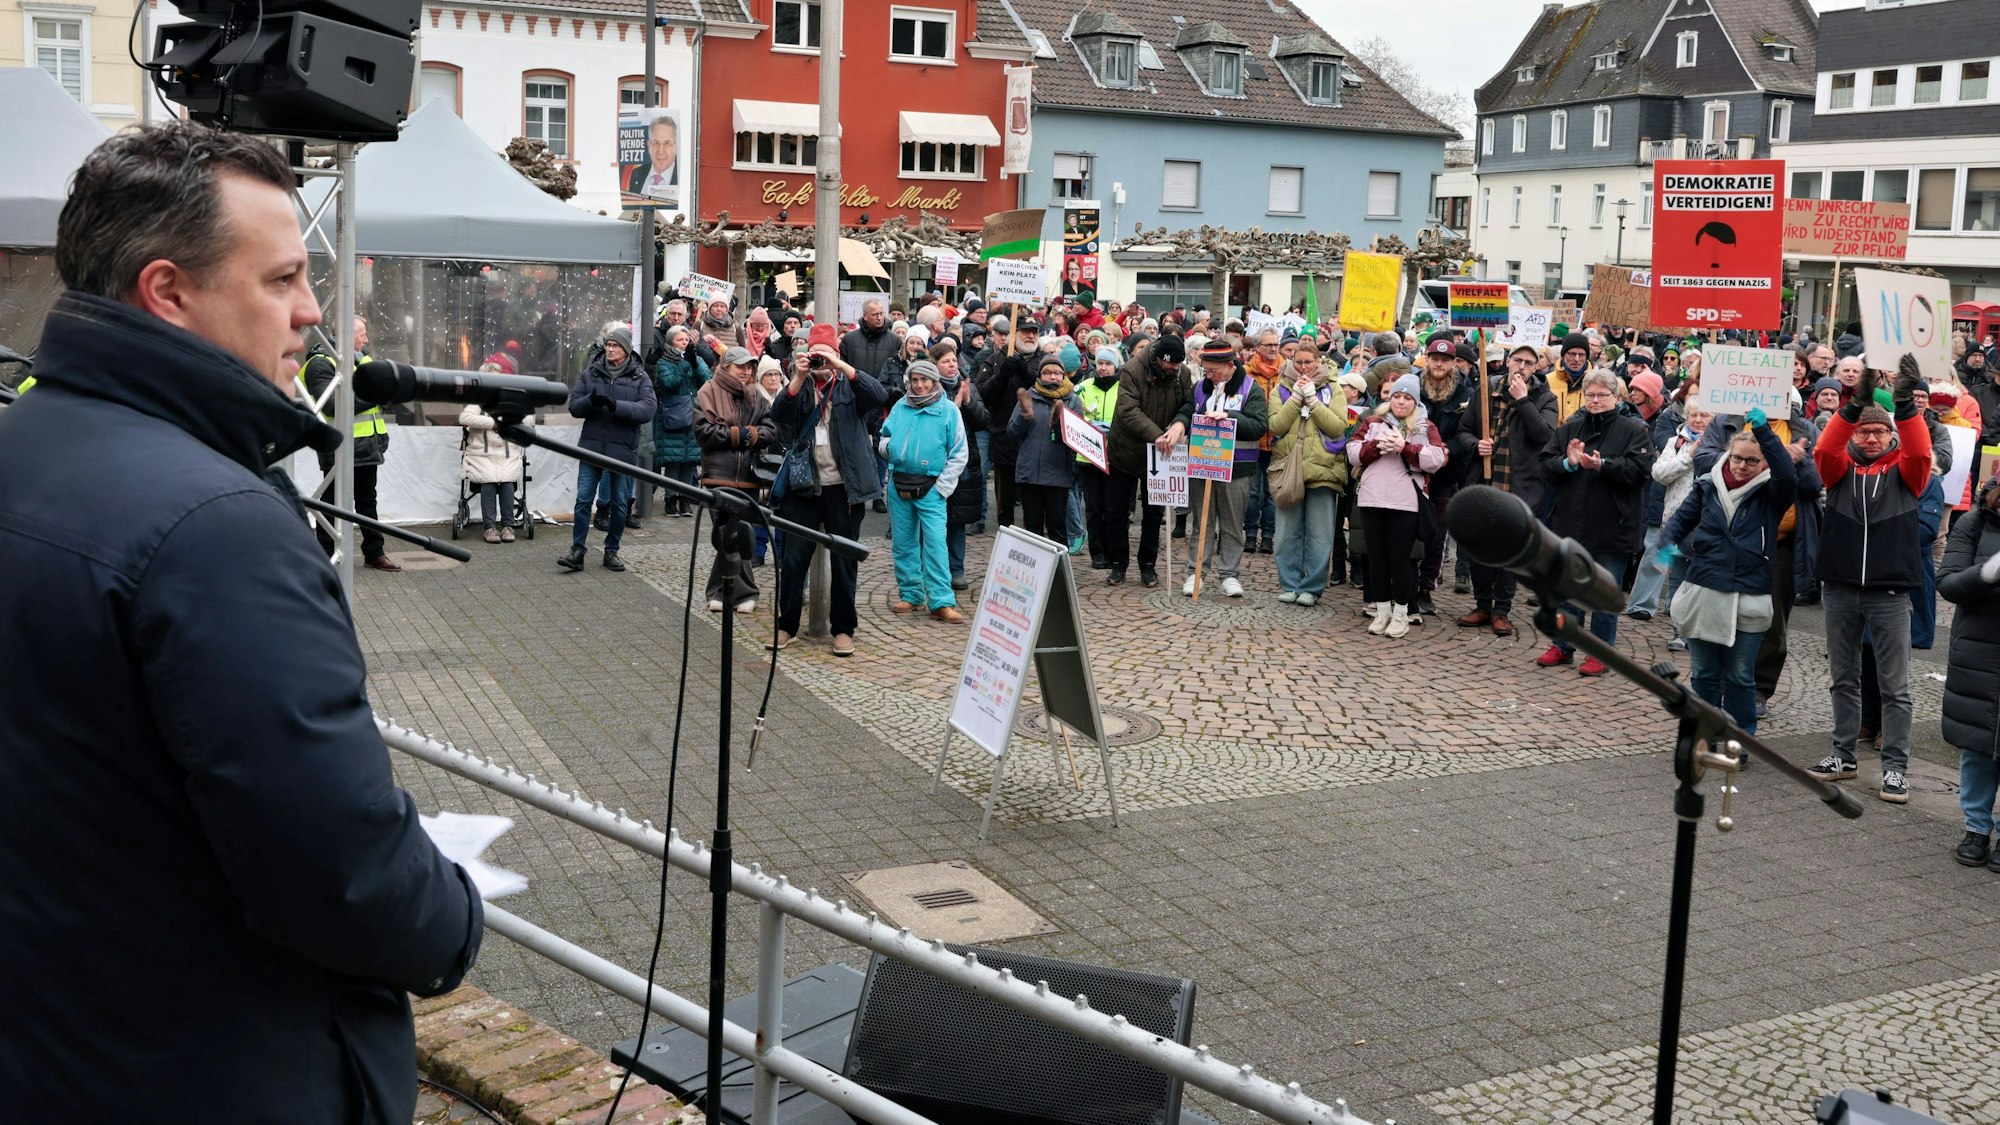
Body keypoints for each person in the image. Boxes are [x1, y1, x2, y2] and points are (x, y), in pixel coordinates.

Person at [0, 121, 481, 1122]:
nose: (311, 312)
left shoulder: (27, 443)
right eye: (280, 280)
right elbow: (339, 873)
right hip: (218, 1065)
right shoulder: (216, 527)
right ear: (167, 291)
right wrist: (452, 915)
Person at [1805, 359, 1933, 802]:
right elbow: (1823, 452)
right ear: (1855, 436)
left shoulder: (1907, 473)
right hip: (1839, 587)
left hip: (1890, 592)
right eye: (1864, 432)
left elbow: (1919, 452)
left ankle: (1896, 768)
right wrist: (1851, 409)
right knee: (1843, 678)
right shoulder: (1838, 471)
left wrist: (1904, 405)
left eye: (1879, 432)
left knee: (1895, 686)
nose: (1872, 437)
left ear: (1891, 436)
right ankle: (1843, 754)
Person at [1657, 414, 1798, 733]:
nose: (1742, 465)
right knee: (1705, 673)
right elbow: (1682, 519)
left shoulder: (1772, 494)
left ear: (1764, 464)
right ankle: (1703, 732)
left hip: (1749, 595)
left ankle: (1740, 738)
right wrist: (1666, 543)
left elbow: (1787, 474)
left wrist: (1762, 430)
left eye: (1752, 460)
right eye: (1737, 458)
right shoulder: (1707, 485)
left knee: (1739, 676)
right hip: (1704, 590)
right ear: (1727, 456)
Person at [769, 323, 887, 655]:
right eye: (816, 356)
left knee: (844, 562)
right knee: (793, 560)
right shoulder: (802, 386)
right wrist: (798, 376)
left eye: (827, 356)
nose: (821, 363)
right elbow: (779, 414)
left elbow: (879, 395)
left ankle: (844, 629)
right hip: (805, 488)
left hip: (844, 489)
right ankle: (786, 626)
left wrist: (841, 366)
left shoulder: (850, 388)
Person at [1535, 370, 1656, 674]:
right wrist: (1568, 463)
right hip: (1572, 525)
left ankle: (1600, 653)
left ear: (1617, 398)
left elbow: (1640, 473)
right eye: (1591, 395)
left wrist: (1604, 465)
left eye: (1603, 395)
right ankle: (1563, 646)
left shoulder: (1635, 431)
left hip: (1613, 527)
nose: (1596, 400)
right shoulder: (1569, 429)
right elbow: (1545, 468)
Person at [1460, 344, 1561, 637]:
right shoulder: (1485, 390)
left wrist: (1523, 401)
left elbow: (1544, 436)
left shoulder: (1544, 398)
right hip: (1485, 481)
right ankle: (1482, 605)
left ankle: (1501, 610)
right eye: (1518, 360)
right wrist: (1474, 445)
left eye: (1529, 363)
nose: (1522, 367)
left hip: (1521, 485)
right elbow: (1464, 430)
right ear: (1507, 362)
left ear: (1536, 368)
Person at [300, 314, 402, 570]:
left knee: (367, 500)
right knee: (333, 501)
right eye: (362, 334)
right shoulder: (320, 364)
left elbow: (382, 398)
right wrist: (377, 396)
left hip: (367, 445)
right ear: (346, 337)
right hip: (338, 446)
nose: (366, 339)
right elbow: (333, 406)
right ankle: (325, 556)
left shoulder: (361, 361)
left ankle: (374, 552)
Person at [1349, 373, 1447, 636]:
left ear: (1415, 401)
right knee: (1377, 558)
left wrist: (1404, 447)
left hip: (1405, 501)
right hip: (1372, 498)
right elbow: (1352, 453)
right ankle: (1382, 611)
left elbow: (1436, 459)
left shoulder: (1425, 427)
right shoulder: (1373, 421)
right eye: (1396, 397)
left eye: (1406, 398)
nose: (1400, 402)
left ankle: (1402, 613)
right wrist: (1375, 447)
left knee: (1400, 559)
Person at [1175, 338, 1269, 597]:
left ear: (1230, 365)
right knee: (1202, 521)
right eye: (1206, 369)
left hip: (1238, 467)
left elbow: (1259, 425)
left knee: (1231, 523)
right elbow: (1186, 409)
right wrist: (1179, 424)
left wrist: (1230, 417)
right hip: (1202, 462)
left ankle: (1229, 574)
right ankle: (1196, 572)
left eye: (1214, 370)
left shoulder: (1251, 389)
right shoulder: (1200, 388)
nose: (1210, 375)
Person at [1940, 478, 2000, 867]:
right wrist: (1986, 574)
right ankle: (1976, 828)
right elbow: (1947, 583)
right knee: (1979, 747)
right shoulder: (1976, 522)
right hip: (1980, 651)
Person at [561, 326, 655, 572]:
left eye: (615, 345)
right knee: (583, 500)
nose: (610, 349)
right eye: (608, 345)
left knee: (620, 504)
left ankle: (612, 550)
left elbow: (647, 410)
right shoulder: (591, 372)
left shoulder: (640, 377)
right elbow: (574, 407)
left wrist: (617, 406)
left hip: (622, 449)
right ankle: (577, 550)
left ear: (626, 350)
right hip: (591, 447)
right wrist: (590, 402)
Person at [881, 358, 969, 622]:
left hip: (932, 487)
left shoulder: (949, 411)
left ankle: (941, 601)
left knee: (935, 545)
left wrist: (942, 487)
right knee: (904, 543)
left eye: (925, 380)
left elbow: (959, 453)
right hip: (900, 483)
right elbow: (884, 436)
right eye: (915, 380)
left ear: (935, 381)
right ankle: (911, 594)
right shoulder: (900, 406)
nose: (919, 385)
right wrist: (890, 449)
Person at [1106, 333, 1192, 588]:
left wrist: (1179, 424)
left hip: (1161, 453)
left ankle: (1148, 566)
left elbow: (1189, 404)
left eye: (1178, 365)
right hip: (1126, 449)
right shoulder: (1132, 370)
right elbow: (1128, 410)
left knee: (1155, 513)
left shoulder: (1183, 374)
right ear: (1158, 359)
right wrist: (1158, 435)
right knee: (1117, 511)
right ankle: (1118, 565)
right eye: (1170, 365)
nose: (1174, 369)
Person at [1267, 340, 1350, 605]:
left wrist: (1313, 401)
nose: (1303, 367)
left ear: (1318, 362)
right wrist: (1295, 399)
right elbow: (1276, 425)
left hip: (1324, 468)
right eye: (1298, 361)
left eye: (1308, 362)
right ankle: (1290, 583)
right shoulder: (1280, 389)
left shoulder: (1334, 389)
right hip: (1289, 469)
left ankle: (1311, 588)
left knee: (1319, 535)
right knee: (1286, 534)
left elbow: (1338, 427)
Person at [696, 346, 776, 612]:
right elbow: (704, 432)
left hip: (750, 478)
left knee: (742, 534)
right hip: (719, 476)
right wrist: (739, 436)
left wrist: (749, 435)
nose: (747, 371)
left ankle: (722, 592)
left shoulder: (756, 394)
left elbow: (770, 429)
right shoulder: (708, 391)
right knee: (726, 535)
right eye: (741, 366)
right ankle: (742, 593)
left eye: (750, 367)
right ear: (726, 366)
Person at [1622, 369, 1681, 619]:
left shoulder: (1663, 418)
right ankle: (1642, 604)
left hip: (1679, 496)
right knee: (1654, 548)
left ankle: (1675, 606)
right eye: (1632, 389)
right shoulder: (1665, 420)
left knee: (1679, 554)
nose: (1633, 394)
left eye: (1639, 390)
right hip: (1653, 491)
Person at [1010, 355, 1084, 545]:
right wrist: (1024, 417)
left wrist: (1059, 426)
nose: (1052, 377)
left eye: (1057, 373)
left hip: (1058, 474)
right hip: (1030, 473)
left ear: (1063, 375)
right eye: (1047, 373)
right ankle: (1035, 573)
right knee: (1032, 528)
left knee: (1057, 526)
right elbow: (1011, 433)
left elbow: (1077, 439)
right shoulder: (1029, 396)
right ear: (1040, 375)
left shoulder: (1073, 400)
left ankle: (1059, 572)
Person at [938, 346, 988, 590]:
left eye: (953, 361)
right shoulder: (927, 386)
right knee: (934, 520)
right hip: (935, 463)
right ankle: (934, 568)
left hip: (964, 462)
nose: (952, 365)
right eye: (946, 361)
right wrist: (954, 406)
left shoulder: (967, 386)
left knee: (957, 519)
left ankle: (956, 569)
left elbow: (982, 421)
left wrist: (968, 402)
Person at [651, 322, 707, 518]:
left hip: (693, 413)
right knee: (674, 460)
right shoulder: (664, 361)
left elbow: (706, 381)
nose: (684, 343)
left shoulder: (695, 358)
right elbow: (669, 383)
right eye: (680, 340)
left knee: (690, 460)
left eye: (686, 339)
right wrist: (685, 364)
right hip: (673, 414)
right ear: (670, 342)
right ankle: (670, 499)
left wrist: (694, 363)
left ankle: (685, 498)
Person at [1077, 346, 1124, 577]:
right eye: (1101, 364)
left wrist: (1112, 430)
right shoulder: (1084, 387)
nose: (1104, 368)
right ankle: (1097, 553)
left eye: (1108, 364)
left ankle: (1115, 552)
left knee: (1113, 507)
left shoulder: (1124, 388)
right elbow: (1074, 415)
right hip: (1088, 455)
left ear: (1116, 366)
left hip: (1114, 456)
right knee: (1094, 508)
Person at [460, 381, 526, 543]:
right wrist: (493, 424)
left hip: (507, 454)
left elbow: (527, 420)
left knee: (507, 480)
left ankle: (507, 526)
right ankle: (489, 527)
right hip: (482, 455)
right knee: (488, 479)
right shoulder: (479, 402)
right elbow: (464, 417)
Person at [1241, 328, 1287, 554]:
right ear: (1258, 347)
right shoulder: (1246, 373)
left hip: (1278, 441)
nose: (1273, 348)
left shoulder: (1287, 371)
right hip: (1253, 440)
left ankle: (1268, 536)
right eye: (1268, 344)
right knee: (1252, 491)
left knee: (1272, 492)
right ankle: (1250, 533)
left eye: (1276, 344)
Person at [626, 113, 679, 200]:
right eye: (656, 143)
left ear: (675, 147)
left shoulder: (681, 176)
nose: (661, 151)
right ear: (649, 146)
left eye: (667, 143)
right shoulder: (636, 174)